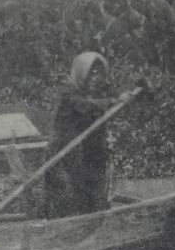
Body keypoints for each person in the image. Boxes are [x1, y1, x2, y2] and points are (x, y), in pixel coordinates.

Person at [44, 51, 129, 217]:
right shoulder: (69, 94)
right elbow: (84, 106)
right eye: (92, 72)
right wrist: (113, 101)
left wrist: (122, 96)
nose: (96, 78)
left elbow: (116, 94)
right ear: (82, 73)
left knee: (97, 198)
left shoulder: (101, 93)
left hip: (93, 156)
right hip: (65, 156)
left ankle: (98, 226)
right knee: (72, 199)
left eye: (100, 73)